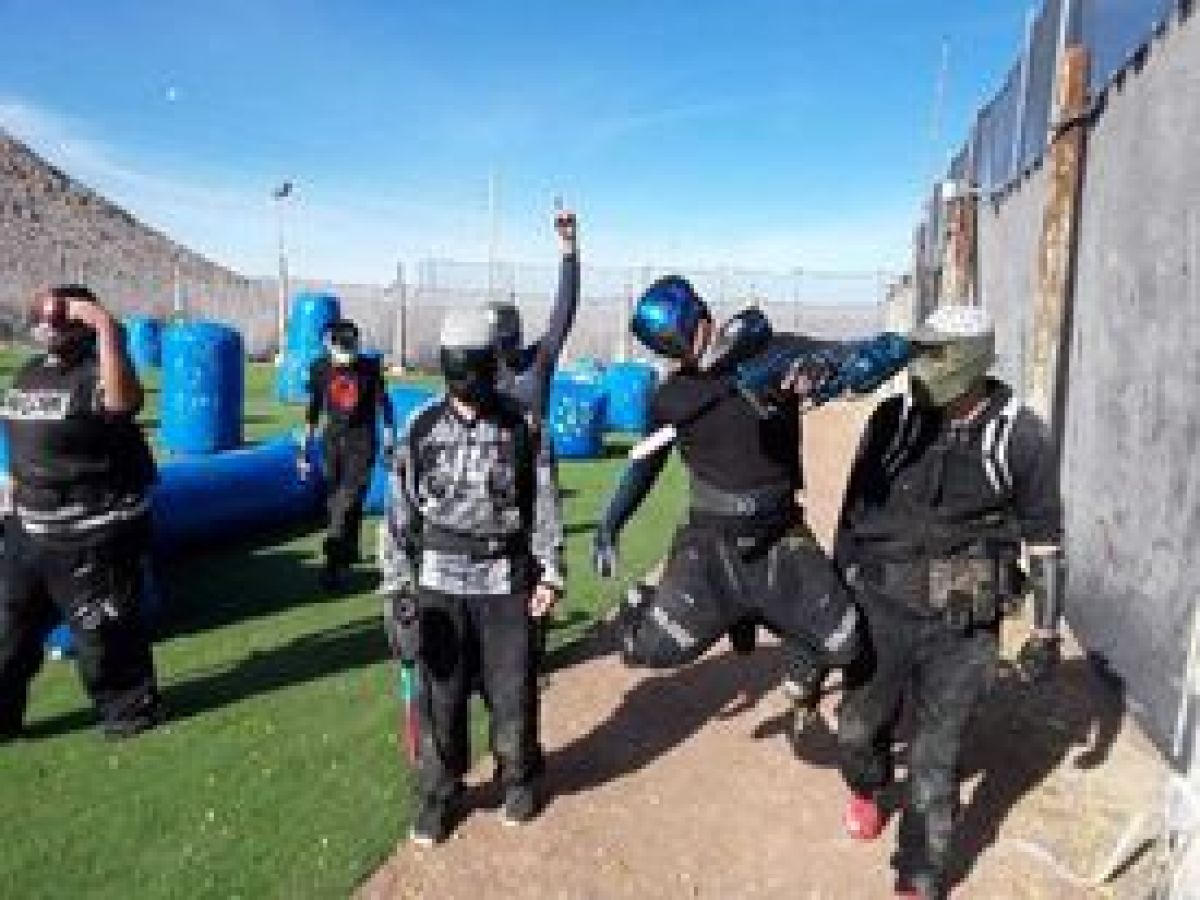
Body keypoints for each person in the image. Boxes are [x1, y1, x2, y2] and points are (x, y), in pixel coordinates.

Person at [833, 305, 1064, 899]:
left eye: (935, 354)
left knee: (936, 758)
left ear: (972, 361)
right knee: (857, 727)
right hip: (883, 599)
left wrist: (1045, 633)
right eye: (920, 351)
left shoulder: (1021, 435)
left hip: (963, 608)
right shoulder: (892, 420)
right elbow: (853, 512)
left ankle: (920, 872)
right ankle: (866, 785)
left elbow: (1044, 540)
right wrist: (834, 594)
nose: (921, 366)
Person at [591, 275, 872, 722]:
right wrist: (610, 523)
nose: (686, 355)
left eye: (687, 339)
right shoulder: (670, 399)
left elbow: (849, 357)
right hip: (710, 544)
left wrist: (832, 367)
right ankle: (646, 601)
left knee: (846, 643)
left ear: (705, 319)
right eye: (671, 351)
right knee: (647, 649)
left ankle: (800, 660)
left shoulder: (774, 355)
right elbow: (644, 465)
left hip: (780, 534)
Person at [379, 308, 564, 846]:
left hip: (506, 579)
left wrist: (550, 573)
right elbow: (397, 514)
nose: (469, 382)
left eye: (477, 367)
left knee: (513, 691)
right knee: (441, 695)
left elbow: (545, 503)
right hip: (440, 582)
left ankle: (519, 777)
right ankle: (440, 793)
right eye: (460, 369)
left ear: (492, 364)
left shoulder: (524, 424)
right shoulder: (420, 427)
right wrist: (397, 588)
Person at [0, 284, 161, 740]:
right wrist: (10, 484)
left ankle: (129, 712)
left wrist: (104, 325)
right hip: (27, 531)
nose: (45, 325)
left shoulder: (100, 373)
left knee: (104, 639)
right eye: (41, 318)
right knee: (7, 633)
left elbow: (122, 403)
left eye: (58, 317)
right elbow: (23, 440)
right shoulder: (29, 373)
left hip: (92, 536)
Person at [299, 318, 395, 590]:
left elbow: (384, 405)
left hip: (362, 442)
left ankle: (332, 565)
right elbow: (313, 409)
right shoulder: (319, 368)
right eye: (342, 348)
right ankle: (347, 553)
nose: (348, 354)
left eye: (352, 347)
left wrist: (389, 438)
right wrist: (304, 448)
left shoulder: (369, 368)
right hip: (331, 443)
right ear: (329, 345)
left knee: (347, 501)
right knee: (336, 503)